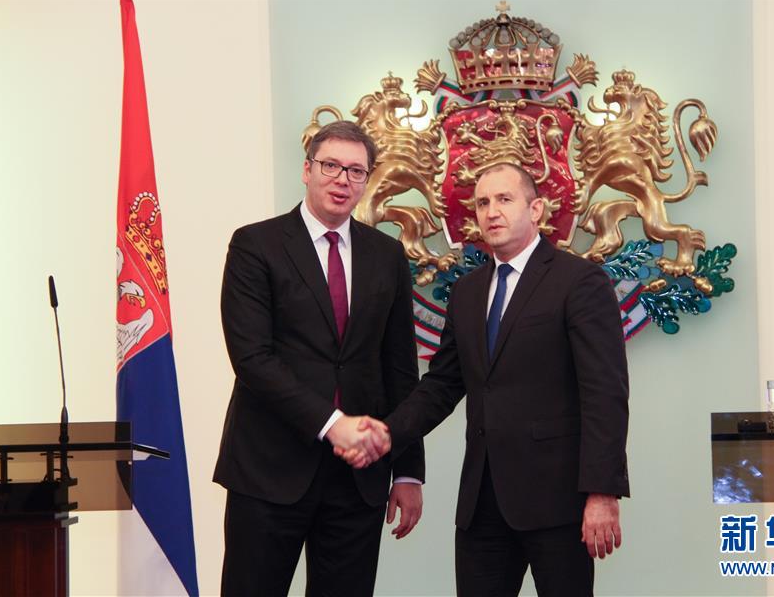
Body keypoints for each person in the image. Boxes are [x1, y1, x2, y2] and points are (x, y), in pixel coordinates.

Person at [340, 162, 629, 596]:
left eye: (504, 199)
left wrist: (602, 492)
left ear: (536, 209)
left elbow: (605, 394)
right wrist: (386, 433)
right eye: (482, 203)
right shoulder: (467, 292)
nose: (491, 211)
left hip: (559, 502)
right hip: (482, 502)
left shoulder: (579, 281)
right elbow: (442, 385)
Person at [214, 120, 425, 596]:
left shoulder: (387, 254)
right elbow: (252, 358)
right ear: (306, 170)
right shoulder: (255, 245)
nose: (342, 179)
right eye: (330, 166)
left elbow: (399, 368)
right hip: (268, 468)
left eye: (356, 171)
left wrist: (408, 470)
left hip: (358, 479)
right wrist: (333, 425)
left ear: (366, 181)